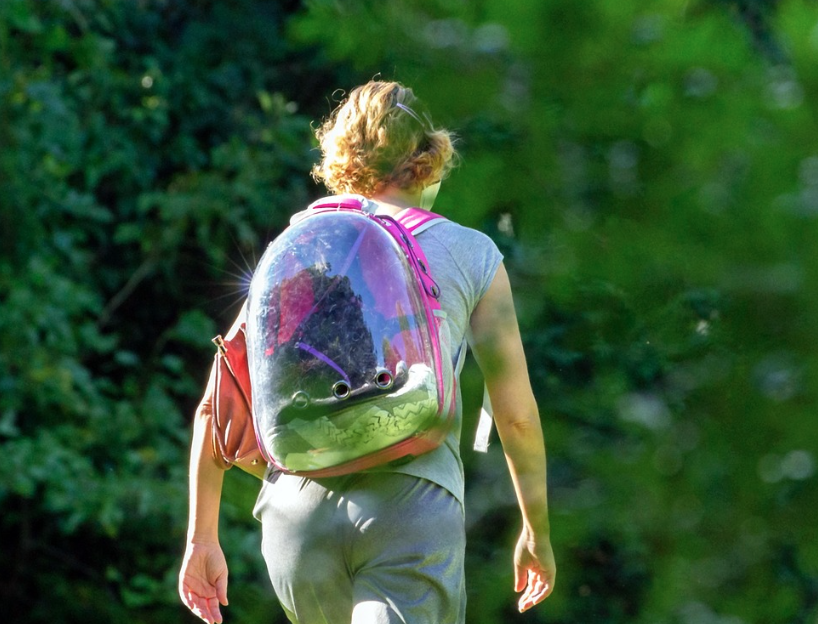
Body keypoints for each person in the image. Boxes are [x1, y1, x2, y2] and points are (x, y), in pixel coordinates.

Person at [178, 80, 556, 624]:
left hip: (297, 514)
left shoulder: (299, 246)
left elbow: (218, 401)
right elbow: (515, 417)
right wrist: (536, 531)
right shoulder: (473, 254)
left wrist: (201, 539)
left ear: (342, 156)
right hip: (411, 505)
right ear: (430, 158)